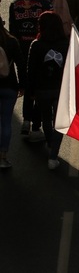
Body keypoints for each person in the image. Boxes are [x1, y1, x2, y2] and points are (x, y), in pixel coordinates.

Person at [9, 0, 50, 140]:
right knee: (39, 87)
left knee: (26, 84)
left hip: (22, 49)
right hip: (39, 50)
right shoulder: (44, 4)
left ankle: (25, 120)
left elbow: (12, 30)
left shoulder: (15, 3)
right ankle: (36, 124)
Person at [26, 11, 69, 170]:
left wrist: (30, 90)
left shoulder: (36, 45)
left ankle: (50, 142)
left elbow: (31, 70)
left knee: (46, 117)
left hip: (41, 89)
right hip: (60, 89)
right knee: (60, 122)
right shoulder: (66, 45)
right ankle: (53, 155)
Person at [0, 18, 23, 169]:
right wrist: (23, 86)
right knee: (6, 122)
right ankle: (3, 157)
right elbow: (21, 65)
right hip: (9, 86)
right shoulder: (12, 42)